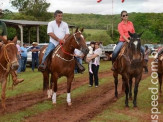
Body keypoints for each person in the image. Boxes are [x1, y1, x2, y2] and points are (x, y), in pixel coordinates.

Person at [0, 8, 24, 85]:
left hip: (1, 43)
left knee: (9, 55)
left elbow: (5, 36)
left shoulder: (2, 24)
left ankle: (14, 78)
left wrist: (3, 42)